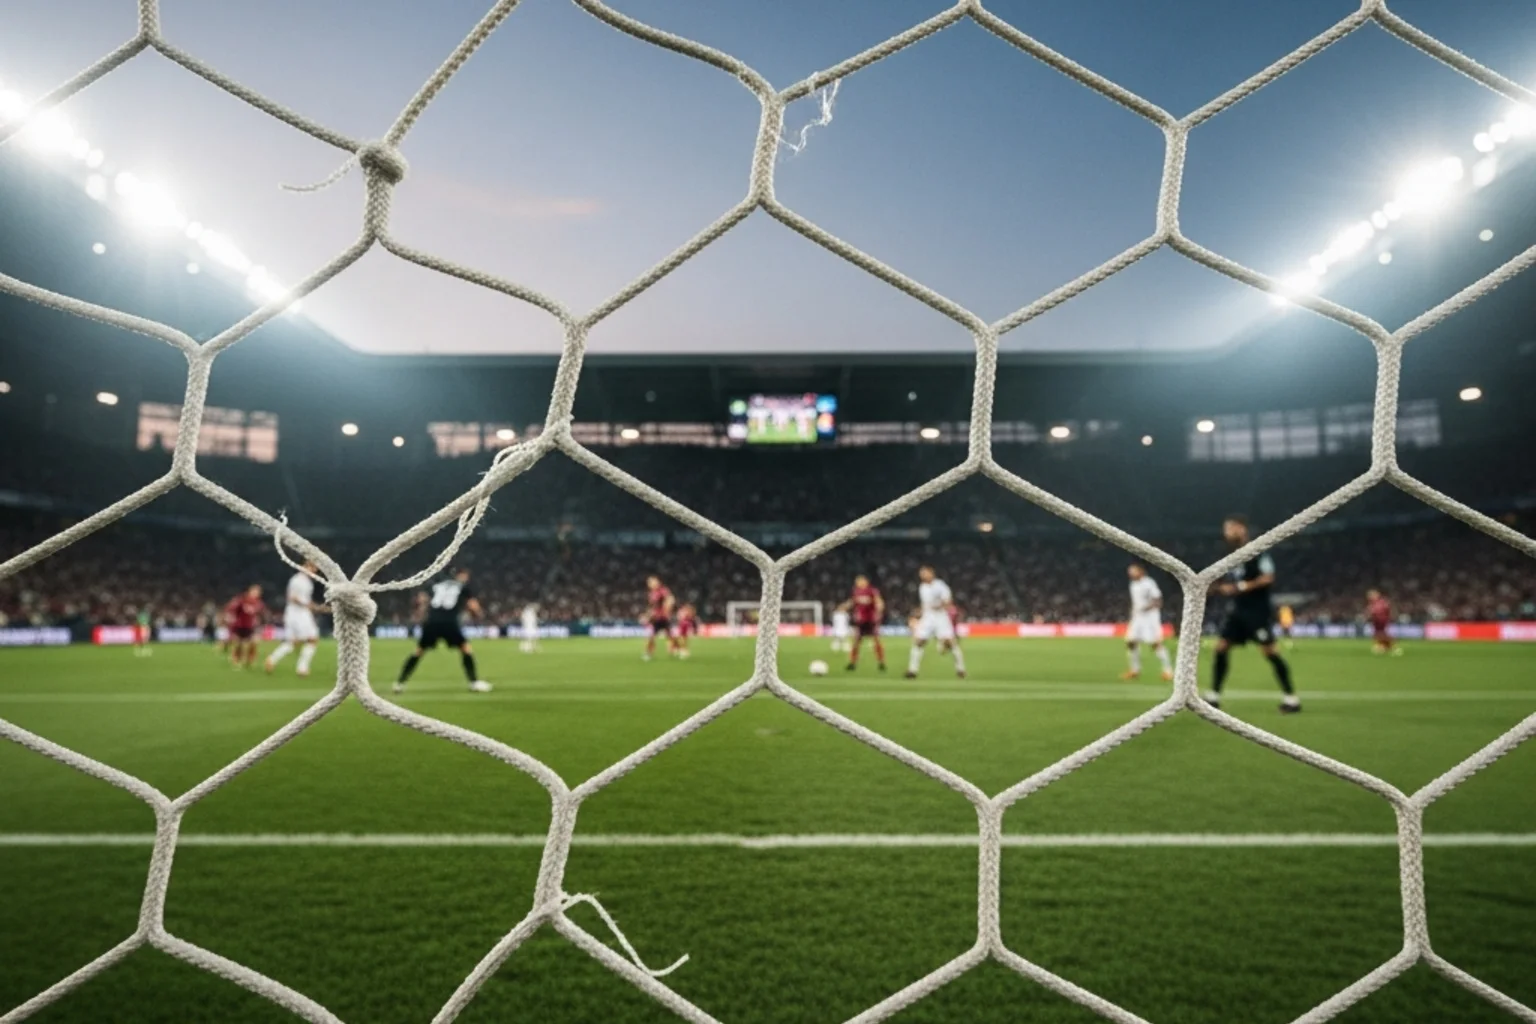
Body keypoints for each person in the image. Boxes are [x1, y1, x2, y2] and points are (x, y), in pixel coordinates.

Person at [1206, 516, 1299, 714]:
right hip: (1237, 611)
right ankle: (1213, 696)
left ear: (1242, 529)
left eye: (1230, 528)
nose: (1226, 533)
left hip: (1257, 612)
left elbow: (1268, 577)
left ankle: (1291, 698)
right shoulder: (1231, 556)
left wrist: (1240, 587)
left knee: (1270, 652)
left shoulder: (1259, 551)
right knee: (1221, 648)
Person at [393, 568, 492, 694]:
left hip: (432, 622)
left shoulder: (438, 585)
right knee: (465, 649)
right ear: (461, 576)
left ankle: (399, 683)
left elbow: (422, 598)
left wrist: (422, 613)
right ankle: (474, 682)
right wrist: (480, 615)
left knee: (418, 652)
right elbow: (473, 605)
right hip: (449, 622)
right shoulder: (463, 587)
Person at [265, 562, 325, 677]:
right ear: (304, 566)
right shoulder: (298, 580)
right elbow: (292, 597)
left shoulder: (306, 581)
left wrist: (316, 606)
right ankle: (302, 668)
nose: (314, 571)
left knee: (293, 642)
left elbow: (305, 599)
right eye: (312, 568)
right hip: (298, 614)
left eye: (315, 569)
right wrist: (308, 605)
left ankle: (272, 659)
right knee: (312, 639)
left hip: (297, 613)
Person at [905, 566, 966, 679]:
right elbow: (924, 604)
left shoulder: (940, 585)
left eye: (924, 573)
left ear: (931, 573)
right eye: (921, 574)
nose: (922, 576)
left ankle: (961, 669)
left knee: (950, 643)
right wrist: (918, 613)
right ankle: (912, 670)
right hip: (927, 617)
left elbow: (948, 601)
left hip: (940, 617)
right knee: (919, 641)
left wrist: (939, 606)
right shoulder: (922, 587)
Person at [1122, 564, 1173, 682]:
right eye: (1130, 571)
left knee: (1155, 644)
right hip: (1137, 617)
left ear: (1141, 571)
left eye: (1133, 571)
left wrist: (1146, 608)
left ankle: (1168, 671)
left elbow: (1158, 600)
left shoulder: (1149, 583)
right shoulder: (1133, 584)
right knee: (1131, 642)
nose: (1130, 574)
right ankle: (1135, 670)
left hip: (1150, 618)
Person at [846, 575, 887, 672]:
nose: (858, 583)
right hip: (860, 621)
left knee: (876, 640)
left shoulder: (872, 591)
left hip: (871, 620)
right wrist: (845, 606)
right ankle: (852, 663)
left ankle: (881, 662)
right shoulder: (856, 592)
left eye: (860, 581)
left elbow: (878, 601)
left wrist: (879, 608)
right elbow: (853, 602)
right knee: (856, 641)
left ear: (866, 582)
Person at [223, 584, 265, 670]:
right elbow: (231, 607)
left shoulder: (259, 603)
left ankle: (249, 661)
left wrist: (259, 621)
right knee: (238, 644)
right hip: (239, 625)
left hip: (251, 627)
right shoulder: (242, 600)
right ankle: (236, 659)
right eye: (255, 591)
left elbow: (261, 613)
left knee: (254, 642)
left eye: (258, 592)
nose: (256, 593)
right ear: (250, 591)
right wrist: (229, 616)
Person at [643, 575, 676, 662]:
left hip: (664, 617)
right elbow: (652, 606)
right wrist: (647, 615)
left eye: (653, 582)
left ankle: (675, 650)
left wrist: (668, 608)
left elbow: (670, 599)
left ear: (658, 582)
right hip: (655, 618)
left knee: (671, 636)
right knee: (650, 636)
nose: (652, 584)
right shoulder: (651, 594)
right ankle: (649, 653)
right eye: (650, 583)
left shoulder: (663, 590)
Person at [1367, 589, 1400, 656]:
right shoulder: (1373, 603)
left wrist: (1390, 617)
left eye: (1371, 595)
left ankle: (1391, 647)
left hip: (1382, 621)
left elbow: (1387, 610)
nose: (1370, 597)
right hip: (1377, 621)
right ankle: (1384, 647)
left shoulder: (1381, 602)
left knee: (1382, 634)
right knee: (1378, 635)